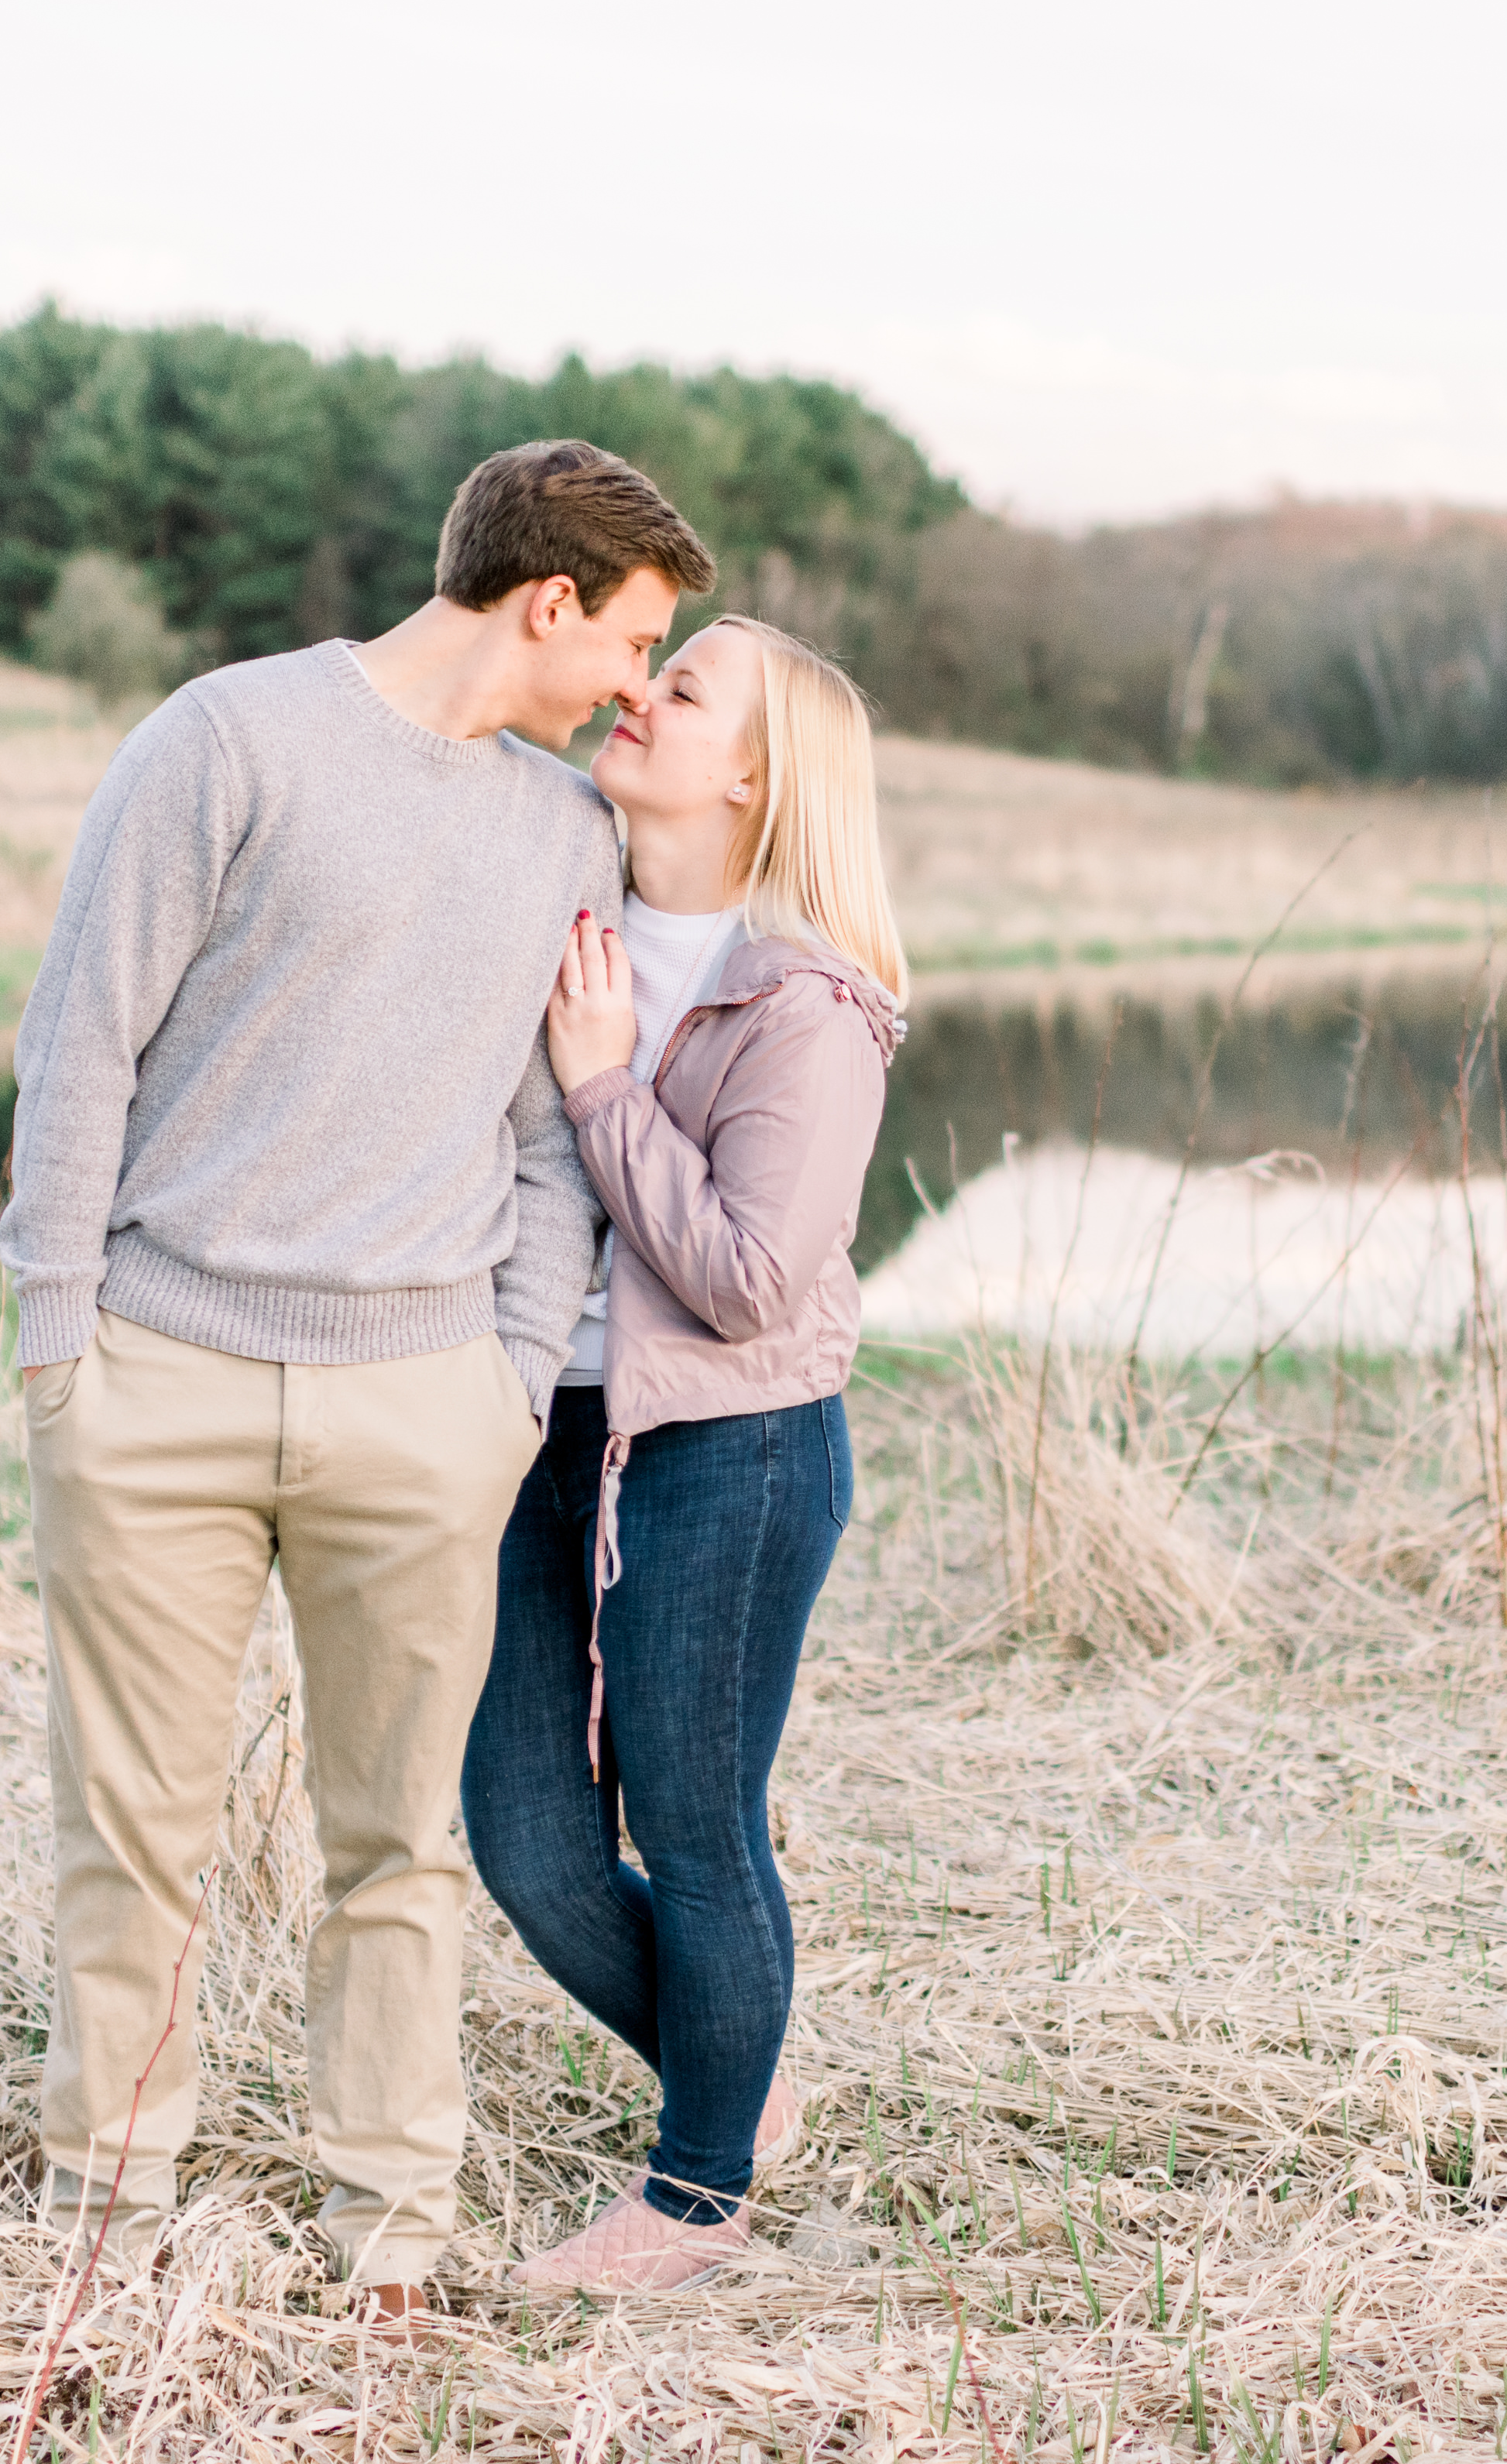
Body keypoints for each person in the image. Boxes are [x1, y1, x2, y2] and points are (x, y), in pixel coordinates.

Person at [1, 442, 715, 2328]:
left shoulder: (567, 832)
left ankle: (387, 2231)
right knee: (131, 1833)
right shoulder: (224, 742)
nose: (642, 685)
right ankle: (106, 2211)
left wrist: (496, 1383)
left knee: (395, 1849)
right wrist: (58, 1346)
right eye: (636, 639)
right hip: (157, 1380)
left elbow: (550, 1132)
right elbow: (79, 1044)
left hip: (419, 1411)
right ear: (546, 603)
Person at [461, 615, 908, 2294]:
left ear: (754, 776)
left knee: (699, 1825)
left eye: (689, 685)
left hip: (732, 1449)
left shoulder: (806, 1003)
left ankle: (695, 2198)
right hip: (532, 1429)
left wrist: (600, 1090)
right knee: (524, 1835)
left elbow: (740, 1277)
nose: (639, 692)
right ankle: (744, 2067)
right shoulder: (552, 922)